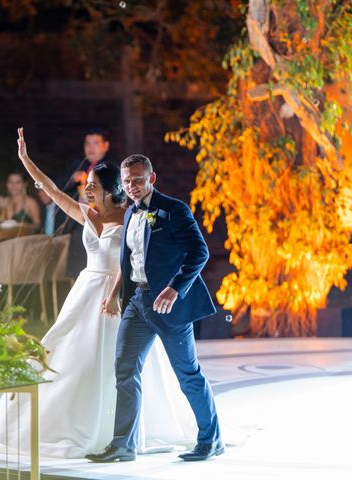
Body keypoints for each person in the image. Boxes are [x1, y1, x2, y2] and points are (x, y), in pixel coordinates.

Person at [0, 128, 196, 458]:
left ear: (111, 190)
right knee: (67, 352)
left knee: (117, 362)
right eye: (86, 185)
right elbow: (54, 191)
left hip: (117, 293)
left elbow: (135, 256)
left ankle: (120, 435)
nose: (86, 190)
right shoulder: (86, 214)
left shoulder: (132, 214)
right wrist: (26, 160)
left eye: (93, 186)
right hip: (86, 289)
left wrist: (116, 292)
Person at [86, 154, 223, 463]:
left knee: (187, 374)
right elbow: (131, 260)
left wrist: (176, 288)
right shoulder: (130, 212)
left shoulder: (174, 209)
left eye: (137, 180)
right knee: (124, 370)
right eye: (126, 181)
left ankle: (210, 439)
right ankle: (123, 445)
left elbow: (199, 252)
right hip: (137, 303)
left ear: (152, 178)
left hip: (169, 306)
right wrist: (116, 295)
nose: (132, 186)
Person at [57, 128, 114, 278]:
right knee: (77, 270)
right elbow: (58, 188)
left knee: (99, 269)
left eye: (95, 143)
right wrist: (72, 179)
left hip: (102, 225)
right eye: (87, 143)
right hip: (77, 224)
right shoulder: (77, 164)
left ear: (105, 146)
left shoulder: (111, 167)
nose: (90, 147)